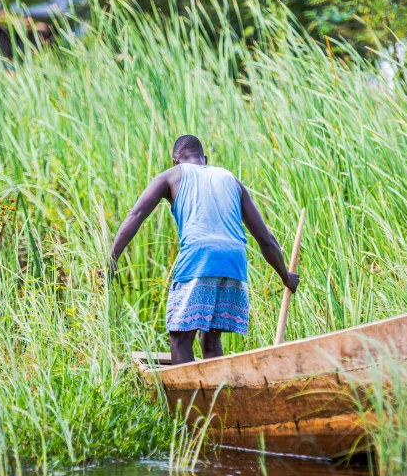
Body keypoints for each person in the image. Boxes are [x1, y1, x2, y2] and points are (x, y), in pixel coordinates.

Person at [109, 135, 299, 365]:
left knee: (180, 339)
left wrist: (112, 259)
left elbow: (136, 215)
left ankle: (188, 401)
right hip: (234, 261)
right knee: (210, 341)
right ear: (204, 159)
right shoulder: (231, 179)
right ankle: (218, 400)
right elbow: (266, 239)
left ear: (175, 161)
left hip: (199, 257)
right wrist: (285, 276)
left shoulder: (172, 175)